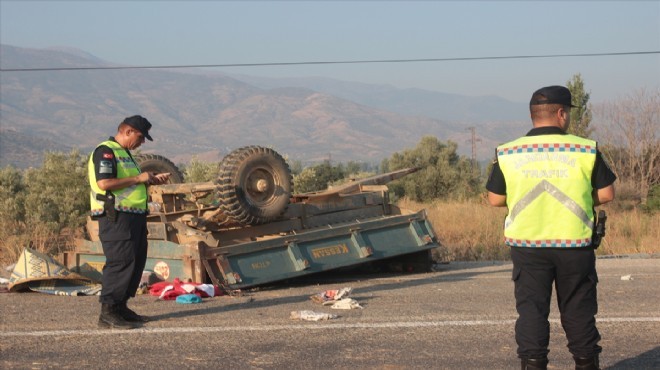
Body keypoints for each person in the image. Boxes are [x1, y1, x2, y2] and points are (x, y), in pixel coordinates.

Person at [486, 86, 616, 370]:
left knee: (532, 311)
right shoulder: (584, 149)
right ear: (561, 113)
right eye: (568, 112)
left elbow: (495, 199)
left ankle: (533, 365)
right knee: (578, 310)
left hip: (528, 246)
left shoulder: (509, 152)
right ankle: (585, 364)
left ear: (534, 116)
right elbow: (606, 194)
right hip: (575, 245)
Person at [88, 115, 170, 329]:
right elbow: (104, 183)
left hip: (133, 216)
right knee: (120, 262)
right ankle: (108, 311)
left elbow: (130, 185)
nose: (141, 143)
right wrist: (138, 178)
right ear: (127, 131)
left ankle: (121, 307)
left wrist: (150, 179)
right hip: (115, 216)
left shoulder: (126, 154)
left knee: (135, 261)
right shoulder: (105, 151)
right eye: (141, 137)